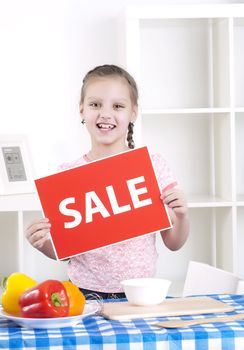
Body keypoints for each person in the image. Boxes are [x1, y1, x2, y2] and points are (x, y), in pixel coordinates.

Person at [25, 64, 189, 299]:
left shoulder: (152, 167)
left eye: (118, 106)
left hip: (140, 292)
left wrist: (182, 215)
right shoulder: (67, 175)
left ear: (133, 113)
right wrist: (43, 244)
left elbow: (174, 243)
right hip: (83, 292)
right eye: (95, 104)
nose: (105, 113)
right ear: (81, 110)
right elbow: (65, 252)